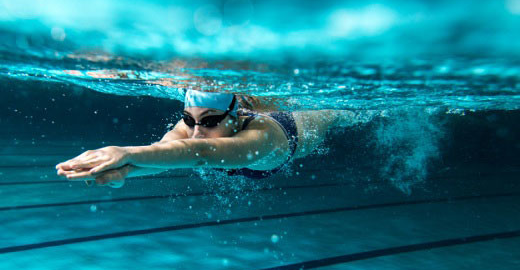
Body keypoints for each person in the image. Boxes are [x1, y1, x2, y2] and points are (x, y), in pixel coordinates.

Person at [56, 89, 350, 187]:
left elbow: (202, 153)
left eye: (209, 121)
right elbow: (163, 153)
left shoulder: (263, 137)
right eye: (188, 119)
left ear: (235, 117)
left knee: (343, 113)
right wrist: (122, 172)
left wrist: (124, 152)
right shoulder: (194, 128)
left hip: (309, 123)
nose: (196, 131)